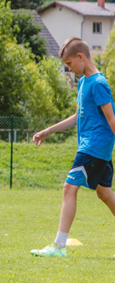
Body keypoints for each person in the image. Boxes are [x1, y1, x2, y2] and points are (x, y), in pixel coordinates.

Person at [31, 37, 115, 257]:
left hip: (93, 147)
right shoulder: (84, 82)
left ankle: (58, 246)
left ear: (80, 57)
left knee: (69, 187)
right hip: (94, 147)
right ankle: (58, 245)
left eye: (69, 64)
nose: (68, 69)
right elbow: (79, 116)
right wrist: (49, 130)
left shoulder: (98, 83)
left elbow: (111, 119)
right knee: (105, 194)